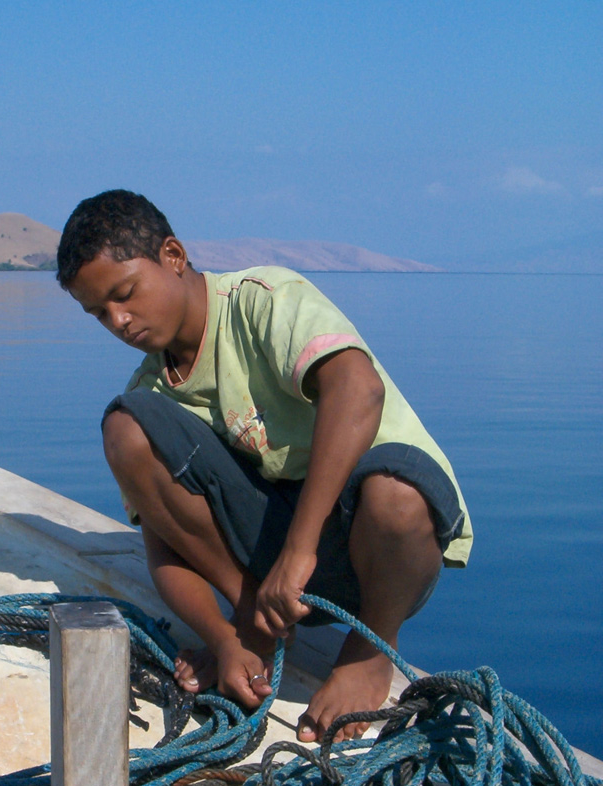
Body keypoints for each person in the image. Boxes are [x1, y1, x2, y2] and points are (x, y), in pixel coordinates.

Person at [57, 189, 472, 742]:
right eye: (99, 313)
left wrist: (299, 552)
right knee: (126, 428)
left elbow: (359, 388)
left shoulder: (261, 299)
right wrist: (225, 638)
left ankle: (371, 647)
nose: (119, 320)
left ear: (173, 256)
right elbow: (164, 549)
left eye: (125, 293)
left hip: (381, 551)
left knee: (396, 491)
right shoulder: (151, 391)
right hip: (274, 584)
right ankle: (256, 622)